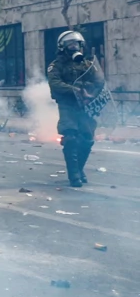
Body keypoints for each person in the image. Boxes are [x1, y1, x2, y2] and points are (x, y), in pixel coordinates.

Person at [48, 29, 108, 187]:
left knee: (87, 139)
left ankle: (79, 169)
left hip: (86, 104)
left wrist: (91, 94)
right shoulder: (56, 65)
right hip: (68, 104)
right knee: (71, 138)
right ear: (63, 46)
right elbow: (55, 83)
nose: (74, 47)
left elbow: (99, 81)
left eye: (77, 44)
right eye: (71, 44)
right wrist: (74, 90)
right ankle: (73, 174)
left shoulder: (87, 64)